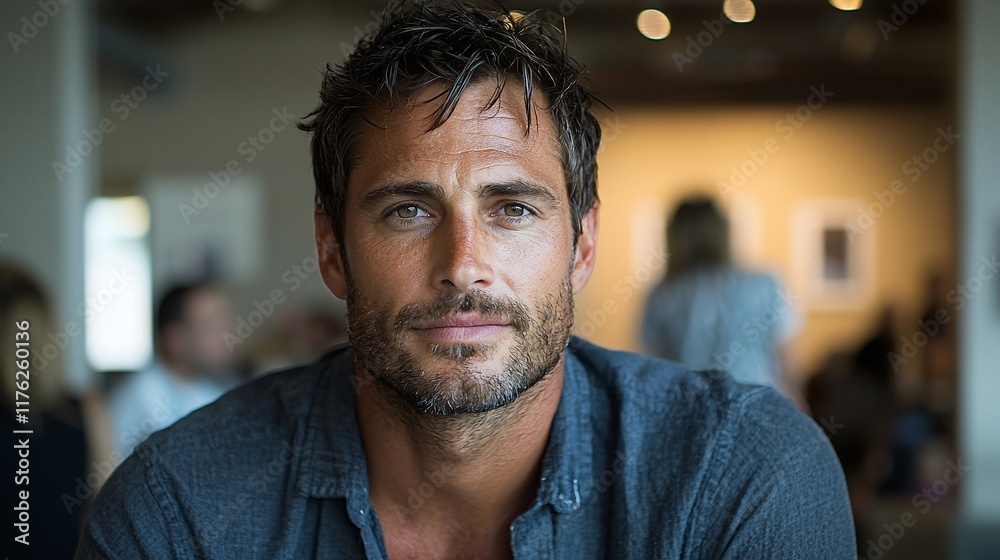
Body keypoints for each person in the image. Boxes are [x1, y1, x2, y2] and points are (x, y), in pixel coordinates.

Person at [77, 2, 854, 558]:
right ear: (333, 250)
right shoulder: (181, 511)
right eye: (408, 211)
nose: (462, 266)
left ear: (581, 245)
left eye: (513, 209)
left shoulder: (744, 476)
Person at [640, 196, 806, 406]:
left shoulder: (662, 294)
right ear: (724, 231)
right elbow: (790, 365)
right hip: (759, 406)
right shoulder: (764, 284)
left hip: (690, 410)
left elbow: (654, 365)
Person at [107, 282, 242, 458]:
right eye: (211, 325)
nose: (228, 334)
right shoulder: (141, 396)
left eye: (226, 321)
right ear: (175, 338)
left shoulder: (215, 390)